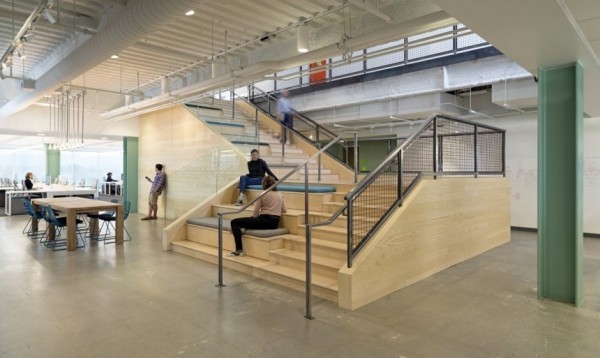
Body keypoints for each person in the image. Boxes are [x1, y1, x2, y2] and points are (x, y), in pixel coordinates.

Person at [229, 176, 286, 256]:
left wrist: (253, 219)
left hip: (264, 220)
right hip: (274, 223)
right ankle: (243, 229)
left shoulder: (263, 194)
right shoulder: (280, 194)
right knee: (250, 221)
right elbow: (284, 210)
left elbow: (256, 211)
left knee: (234, 222)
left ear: (263, 184)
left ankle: (239, 249)